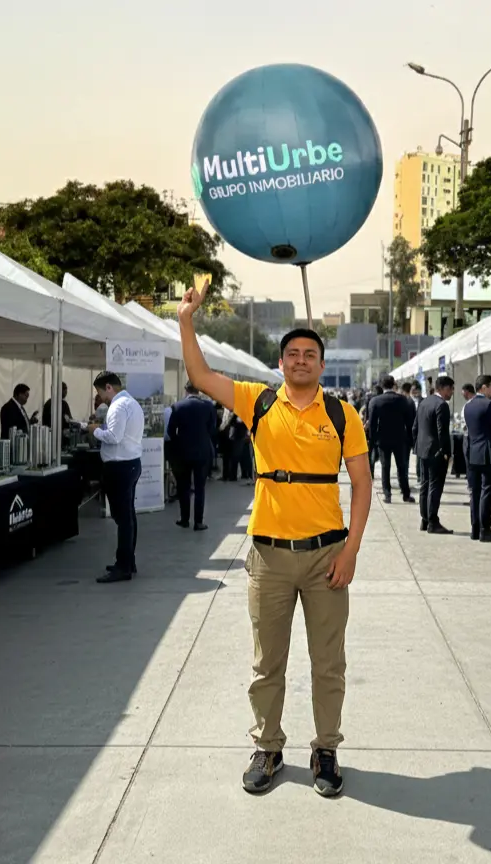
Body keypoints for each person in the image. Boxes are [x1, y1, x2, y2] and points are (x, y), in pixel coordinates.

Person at [177, 277, 372, 798]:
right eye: (293, 354)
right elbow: (198, 374)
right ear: (281, 363)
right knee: (267, 662)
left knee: (329, 663)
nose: (301, 360)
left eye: (310, 354)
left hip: (327, 556)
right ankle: (268, 746)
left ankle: (325, 749)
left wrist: (351, 549)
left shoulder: (342, 414)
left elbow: (362, 483)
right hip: (268, 559)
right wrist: (186, 320)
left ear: (321, 365)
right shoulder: (256, 402)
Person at [88, 372, 144, 584]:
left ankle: (123, 567)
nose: (100, 397)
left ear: (109, 387)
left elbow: (114, 437)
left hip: (120, 467)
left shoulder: (118, 406)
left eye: (100, 391)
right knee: (128, 516)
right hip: (130, 464)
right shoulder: (132, 403)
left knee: (123, 519)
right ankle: (128, 560)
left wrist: (94, 430)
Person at [464, 375, 491, 542]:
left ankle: (475, 528)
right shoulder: (490, 405)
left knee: (475, 493)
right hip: (489, 454)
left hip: (473, 453)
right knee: (487, 492)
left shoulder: (468, 406)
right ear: (483, 387)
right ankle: (485, 529)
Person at [168, 382, 217, 530]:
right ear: (199, 390)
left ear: (186, 390)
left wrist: (180, 442)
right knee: (200, 488)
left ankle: (184, 519)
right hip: (202, 452)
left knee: (184, 487)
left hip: (183, 452)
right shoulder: (208, 406)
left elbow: (171, 431)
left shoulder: (177, 407)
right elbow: (212, 429)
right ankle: (198, 521)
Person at [413, 375, 455, 534]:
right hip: (436, 452)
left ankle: (424, 519)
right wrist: (446, 452)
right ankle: (433, 521)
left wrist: (417, 446)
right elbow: (442, 432)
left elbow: (415, 427)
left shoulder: (424, 402)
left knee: (425, 485)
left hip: (423, 450)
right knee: (435, 487)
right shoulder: (441, 405)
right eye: (451, 389)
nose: (451, 393)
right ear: (444, 388)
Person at [367, 376, 415, 505]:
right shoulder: (403, 400)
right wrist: (410, 439)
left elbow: (372, 424)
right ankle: (406, 494)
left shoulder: (375, 401)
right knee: (402, 467)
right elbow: (410, 422)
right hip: (400, 438)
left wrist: (373, 440)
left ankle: (387, 494)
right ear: (394, 384)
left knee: (385, 467)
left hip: (383, 439)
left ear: (382, 386)